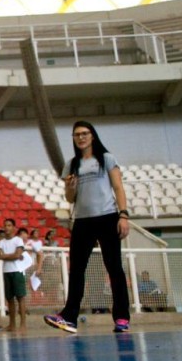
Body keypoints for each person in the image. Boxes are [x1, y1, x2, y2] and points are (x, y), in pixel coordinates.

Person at [44, 121, 131, 335]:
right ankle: (69, 316)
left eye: (84, 133)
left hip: (108, 217)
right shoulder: (71, 164)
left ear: (92, 136)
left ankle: (121, 317)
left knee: (114, 268)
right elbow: (70, 198)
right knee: (77, 270)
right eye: (76, 135)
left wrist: (123, 215)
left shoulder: (107, 159)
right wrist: (70, 187)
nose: (81, 137)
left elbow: (118, 187)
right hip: (83, 221)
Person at [0, 218, 27, 332]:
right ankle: (12, 324)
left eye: (9, 225)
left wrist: (5, 256)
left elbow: (17, 255)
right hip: (6, 272)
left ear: (14, 227)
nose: (7, 227)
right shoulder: (1, 242)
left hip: (17, 271)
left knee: (20, 298)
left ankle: (23, 324)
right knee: (9, 299)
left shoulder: (18, 240)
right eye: (5, 225)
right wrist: (12, 255)